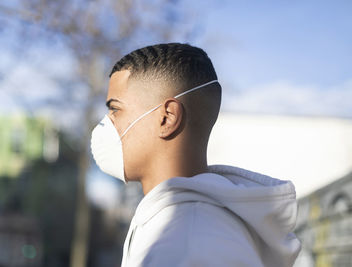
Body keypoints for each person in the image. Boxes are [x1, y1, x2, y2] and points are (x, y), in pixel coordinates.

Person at [90, 43, 301, 267]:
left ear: (167, 118)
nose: (106, 123)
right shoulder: (180, 226)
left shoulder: (189, 241)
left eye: (115, 109)